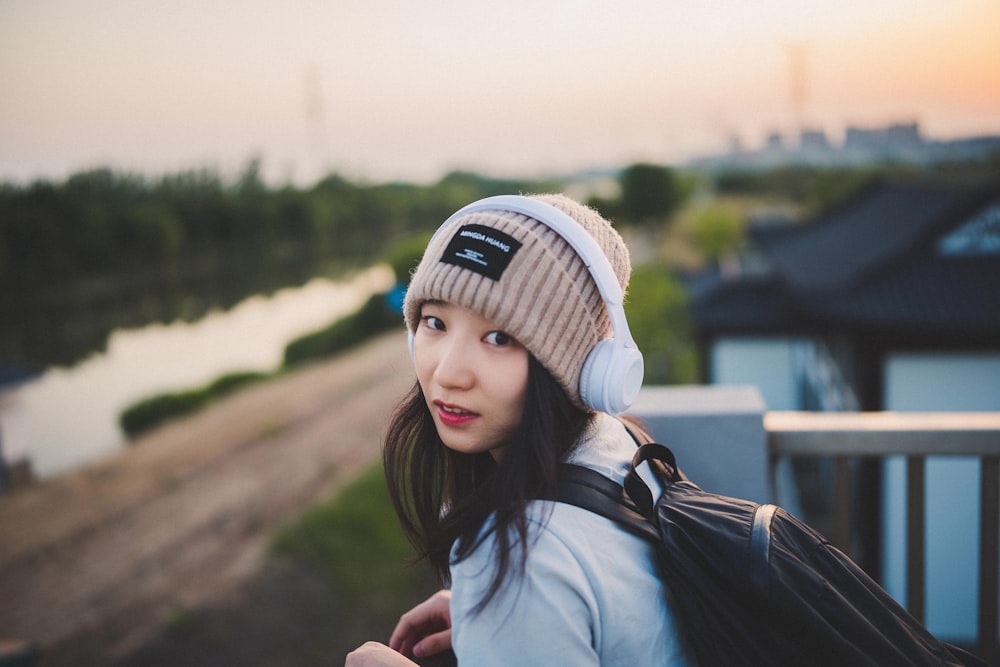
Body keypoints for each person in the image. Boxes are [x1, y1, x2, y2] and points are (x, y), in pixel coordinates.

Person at [346, 194, 692, 666]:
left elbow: (542, 573)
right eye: (435, 322)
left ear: (581, 365)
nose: (449, 373)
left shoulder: (516, 562)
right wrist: (505, 624)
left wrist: (508, 604)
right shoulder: (623, 443)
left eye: (499, 337)